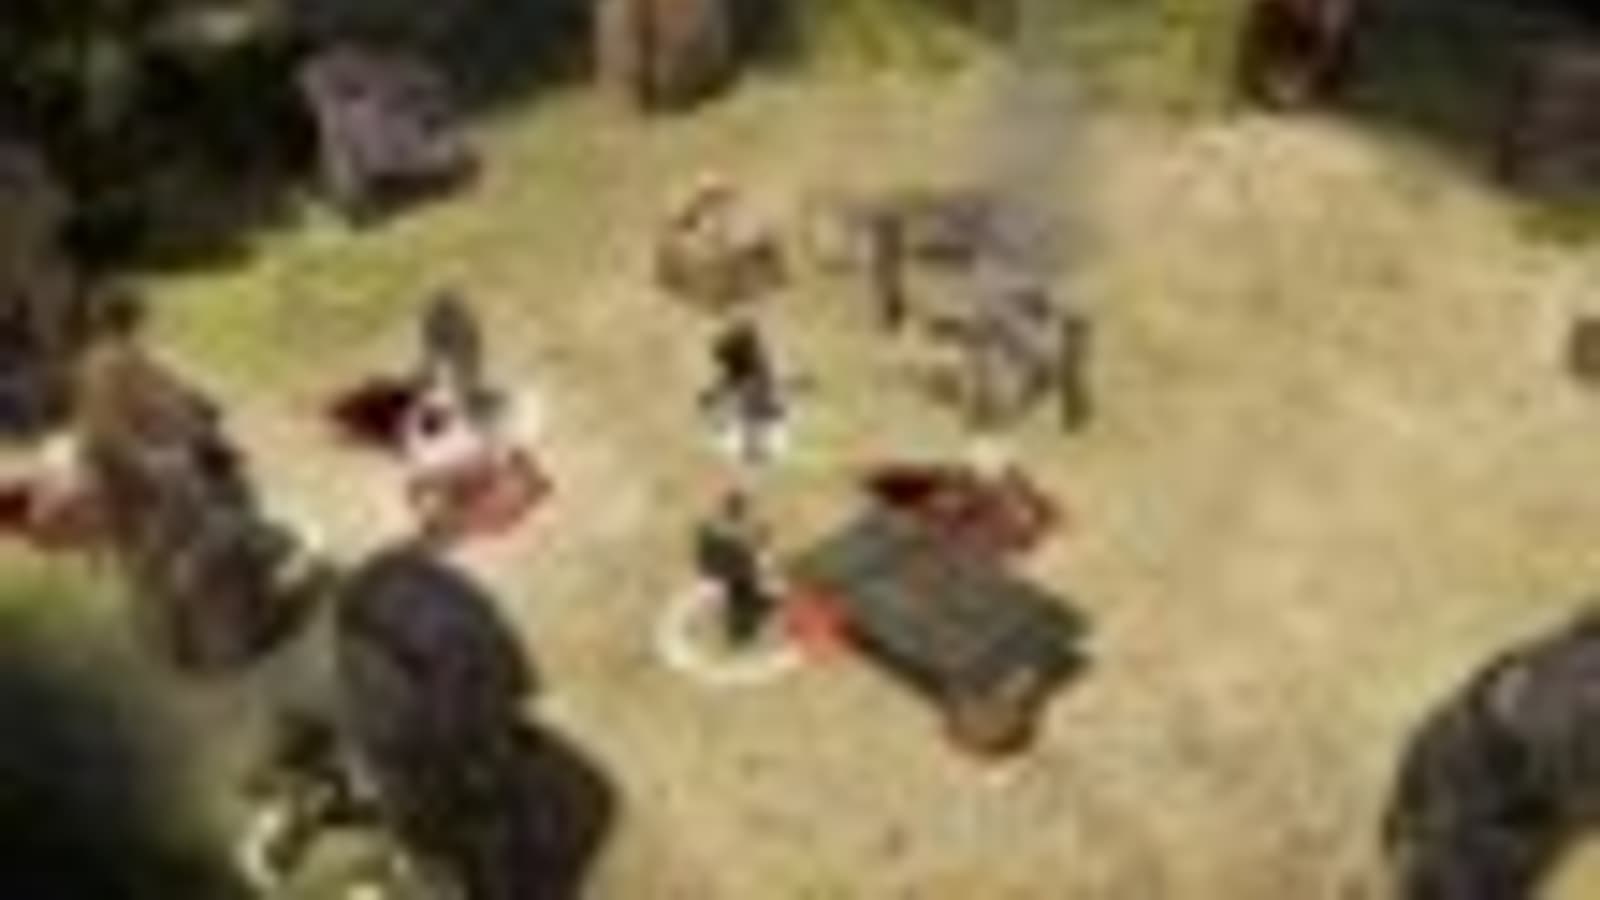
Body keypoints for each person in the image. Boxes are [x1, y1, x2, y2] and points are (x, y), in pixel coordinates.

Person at [693, 491, 778, 648]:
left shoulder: (710, 530)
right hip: (728, 584)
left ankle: (739, 625)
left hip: (725, 583)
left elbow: (705, 560)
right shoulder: (747, 533)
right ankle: (739, 626)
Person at [699, 317, 787, 465]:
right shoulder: (751, 375)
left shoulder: (734, 439)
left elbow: (717, 406)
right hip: (755, 415)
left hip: (752, 415)